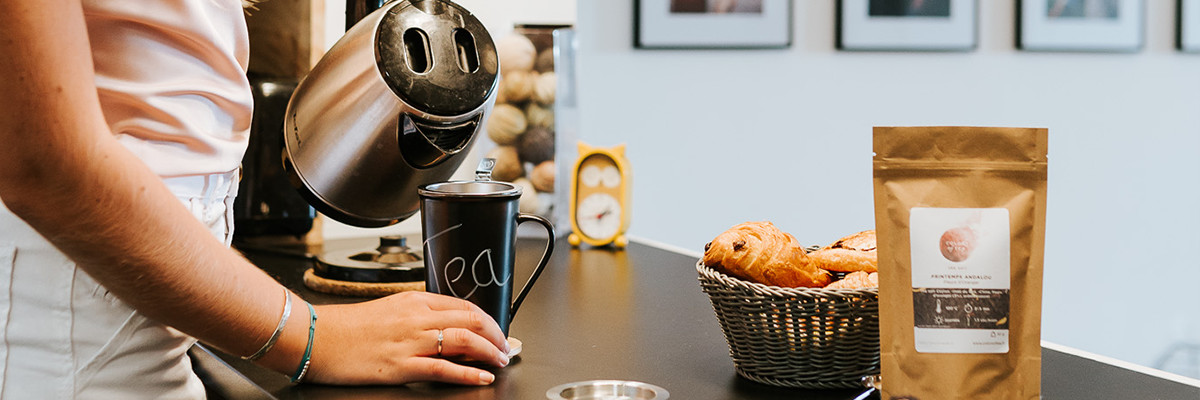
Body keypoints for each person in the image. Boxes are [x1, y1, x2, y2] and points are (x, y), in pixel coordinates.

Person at [0, 0, 510, 397]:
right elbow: (44, 162)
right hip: (68, 354)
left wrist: (234, 289)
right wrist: (312, 336)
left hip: (145, 337)